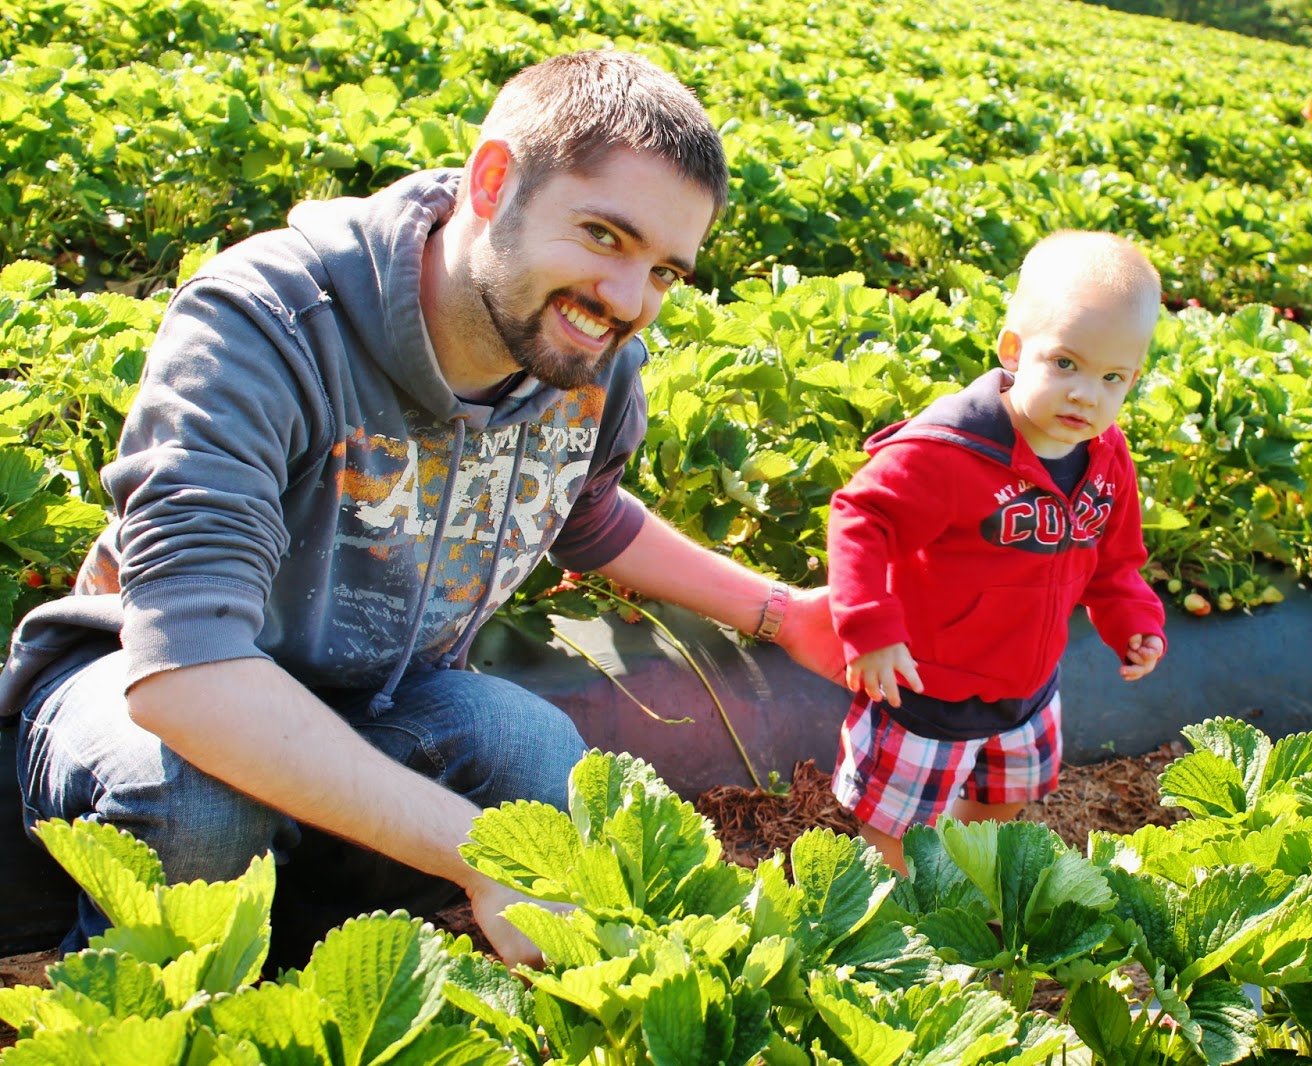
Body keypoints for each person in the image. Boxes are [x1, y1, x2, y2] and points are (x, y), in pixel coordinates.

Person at [0, 50, 840, 966]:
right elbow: (185, 676)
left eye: (666, 272)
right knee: (203, 801)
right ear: (492, 181)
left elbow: (586, 514)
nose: (629, 300)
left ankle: (316, 967)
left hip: (379, 696)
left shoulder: (589, 360)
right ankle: (140, 1002)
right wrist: (482, 862)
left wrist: (785, 613)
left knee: (534, 751)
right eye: (603, 234)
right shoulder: (264, 326)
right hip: (136, 687)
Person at [826, 230, 1168, 872]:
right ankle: (895, 914)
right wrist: (869, 627)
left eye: (1111, 377)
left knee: (999, 802)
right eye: (1065, 363)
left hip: (1028, 688)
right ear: (1013, 349)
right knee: (899, 825)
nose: (1084, 394)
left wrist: (1133, 623)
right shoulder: (953, 451)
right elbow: (862, 516)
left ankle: (962, 885)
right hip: (926, 686)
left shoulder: (1107, 457)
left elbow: (1115, 561)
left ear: (1132, 377)